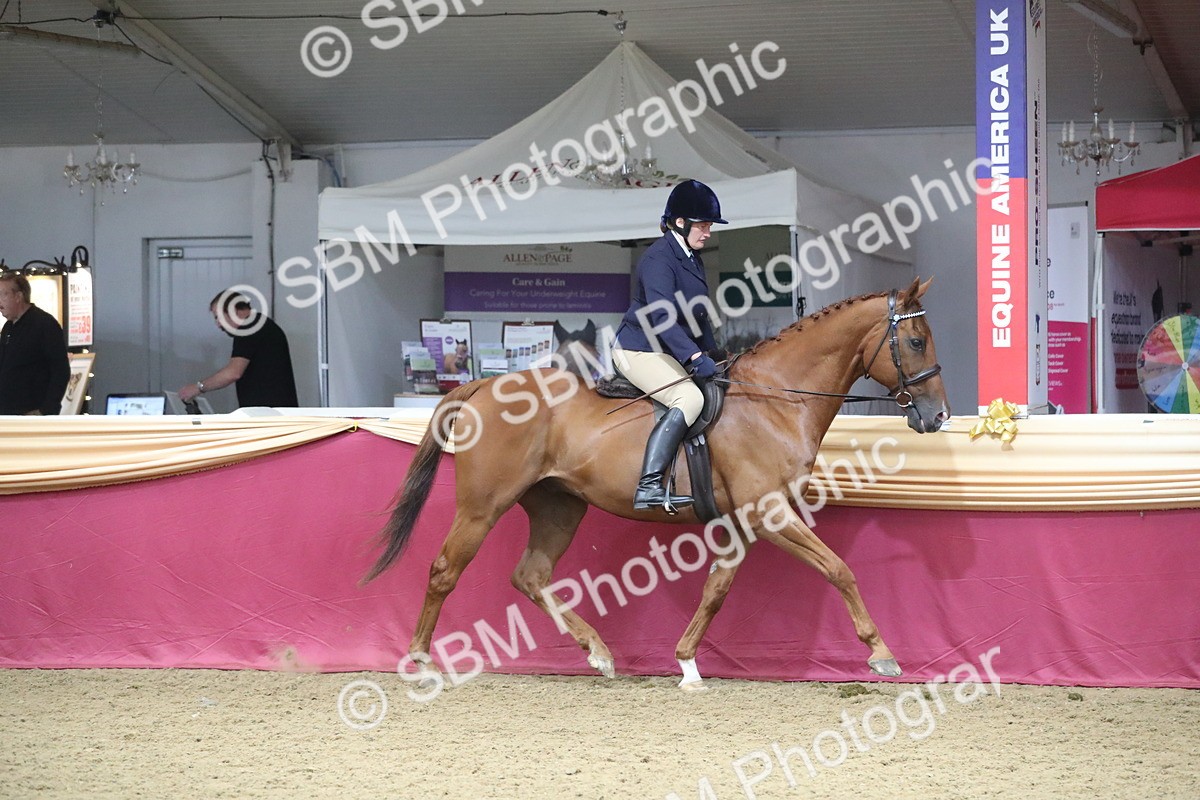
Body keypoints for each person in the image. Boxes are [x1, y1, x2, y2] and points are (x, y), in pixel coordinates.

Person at [613, 179, 726, 511]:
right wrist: (692, 355)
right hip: (638, 349)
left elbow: (697, 312)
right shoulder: (659, 258)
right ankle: (648, 487)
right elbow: (661, 316)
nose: (708, 232)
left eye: (709, 226)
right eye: (703, 225)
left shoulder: (690, 256)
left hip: (665, 348)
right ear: (681, 222)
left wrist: (712, 350)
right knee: (688, 396)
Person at [178, 289, 298, 408]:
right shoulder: (261, 325)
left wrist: (198, 388)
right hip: (276, 415)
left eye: (218, 317)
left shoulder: (249, 327)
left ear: (233, 311)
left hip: (271, 418)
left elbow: (233, 373)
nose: (218, 324)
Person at [0, 272, 70, 415]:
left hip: (31, 412)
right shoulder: (8, 327)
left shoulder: (45, 324)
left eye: (3, 294)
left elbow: (60, 371)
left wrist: (46, 409)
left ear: (18, 296)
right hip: (7, 412)